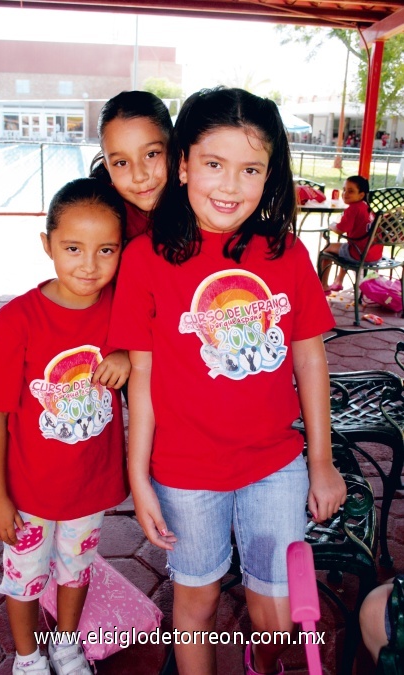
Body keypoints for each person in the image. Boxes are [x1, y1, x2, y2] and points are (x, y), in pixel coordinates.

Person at [108, 87, 347, 675]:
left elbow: (310, 358)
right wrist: (139, 479)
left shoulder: (285, 253)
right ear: (184, 163)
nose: (230, 186)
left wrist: (322, 460)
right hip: (187, 475)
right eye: (214, 164)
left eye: (250, 169)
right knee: (196, 601)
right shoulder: (145, 259)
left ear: (270, 176)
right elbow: (141, 377)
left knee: (275, 610)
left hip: (275, 464)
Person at [0, 178, 130, 675]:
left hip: (89, 485)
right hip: (28, 493)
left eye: (105, 249)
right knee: (23, 578)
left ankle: (65, 645)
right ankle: (27, 658)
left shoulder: (119, 312)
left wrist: (126, 356)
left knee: (76, 571)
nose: (89, 265)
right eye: (73, 248)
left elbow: (146, 358)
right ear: (47, 244)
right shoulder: (15, 320)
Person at [90, 90, 173, 241]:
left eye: (151, 154)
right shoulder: (100, 215)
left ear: (174, 149)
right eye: (121, 163)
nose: (139, 176)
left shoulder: (201, 204)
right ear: (107, 168)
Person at [319, 175, 381, 294]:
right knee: (344, 248)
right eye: (344, 190)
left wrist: (331, 225)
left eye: (351, 191)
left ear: (361, 195)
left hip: (359, 254)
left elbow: (340, 230)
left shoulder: (353, 209)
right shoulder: (366, 207)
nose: (345, 194)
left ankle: (323, 286)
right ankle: (338, 281)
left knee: (327, 250)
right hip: (374, 254)